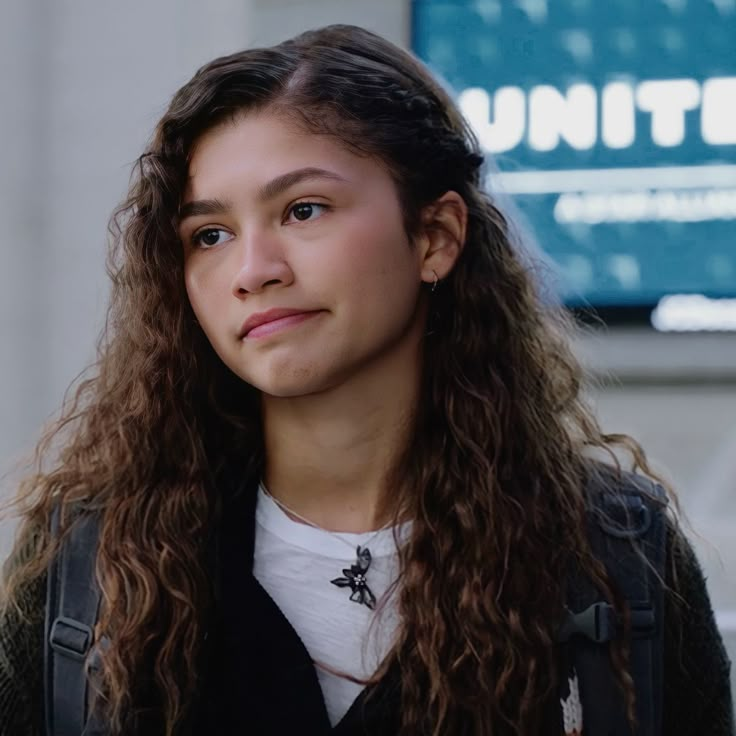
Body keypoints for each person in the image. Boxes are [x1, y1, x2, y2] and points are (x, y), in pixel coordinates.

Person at [0, 24, 732, 736]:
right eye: (210, 236)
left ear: (435, 238)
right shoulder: (93, 563)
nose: (253, 270)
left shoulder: (610, 561)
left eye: (303, 209)